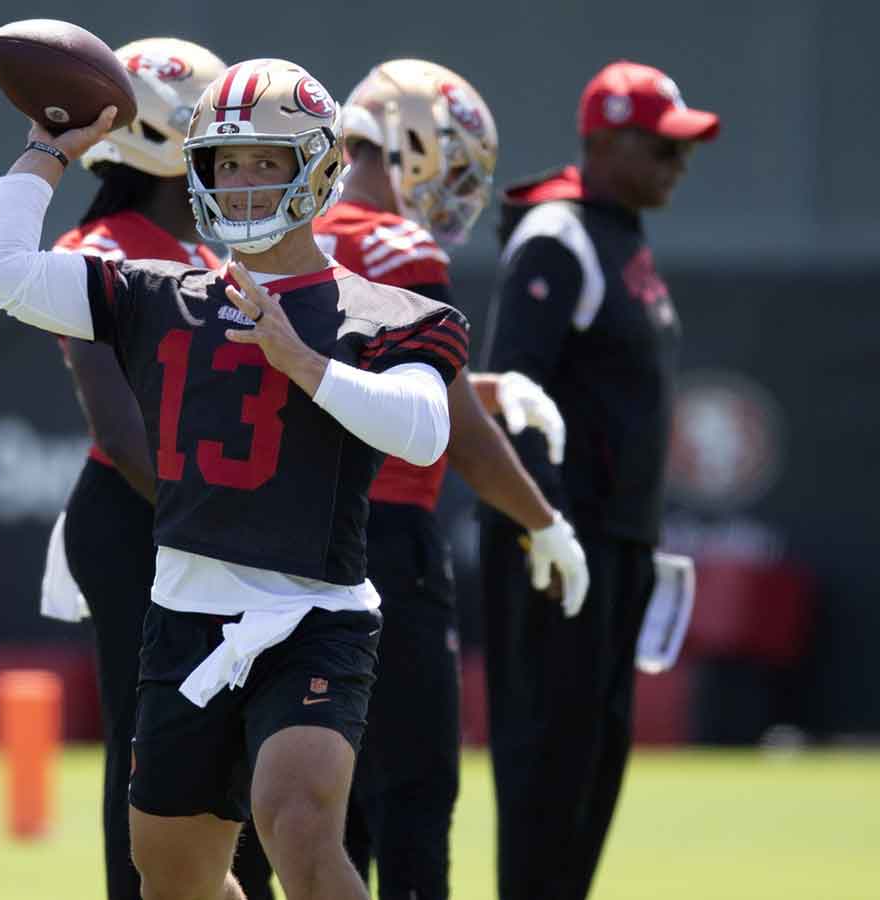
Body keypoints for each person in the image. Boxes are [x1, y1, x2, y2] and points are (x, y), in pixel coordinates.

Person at [0, 58, 467, 900]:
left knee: (300, 824)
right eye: (224, 163)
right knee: (176, 878)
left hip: (315, 617)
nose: (240, 183)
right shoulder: (158, 291)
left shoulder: (383, 310)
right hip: (184, 617)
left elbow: (423, 433)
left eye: (266, 161)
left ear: (319, 168)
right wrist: (45, 153)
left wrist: (303, 362)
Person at [222, 60, 590, 900]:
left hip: (265, 550)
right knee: (415, 795)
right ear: (412, 145)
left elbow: (338, 365)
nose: (449, 191)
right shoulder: (397, 244)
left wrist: (481, 386)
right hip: (381, 543)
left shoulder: (268, 238)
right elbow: (442, 426)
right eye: (448, 166)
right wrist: (543, 520)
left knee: (303, 807)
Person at [479, 59, 718, 900]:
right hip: (558, 547)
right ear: (608, 141)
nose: (676, 167)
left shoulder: (622, 234)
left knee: (596, 760)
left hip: (618, 543)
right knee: (550, 761)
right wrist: (540, 525)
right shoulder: (560, 235)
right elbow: (511, 396)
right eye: (661, 149)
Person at [41, 36, 229, 900]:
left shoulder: (205, 251)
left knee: (228, 741)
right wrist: (230, 524)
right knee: (149, 745)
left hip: (208, 517)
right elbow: (123, 431)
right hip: (142, 514)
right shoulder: (104, 246)